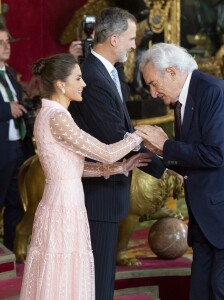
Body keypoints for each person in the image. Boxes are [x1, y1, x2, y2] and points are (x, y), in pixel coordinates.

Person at [135, 43, 224, 300]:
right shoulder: (182, 100)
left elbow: (214, 155)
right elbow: (189, 158)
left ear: (173, 72)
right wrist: (150, 155)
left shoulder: (212, 92)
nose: (153, 93)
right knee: (200, 290)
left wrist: (166, 145)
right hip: (206, 213)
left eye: (154, 84)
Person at [19, 53, 151, 299]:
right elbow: (106, 152)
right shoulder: (58, 117)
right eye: (78, 78)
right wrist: (139, 135)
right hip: (63, 207)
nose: (84, 84)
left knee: (62, 273)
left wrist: (120, 168)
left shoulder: (51, 114)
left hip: (65, 201)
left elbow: (73, 169)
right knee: (63, 273)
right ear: (61, 84)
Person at [68, 8, 166, 300]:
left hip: (107, 191)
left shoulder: (106, 72)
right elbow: (115, 136)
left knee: (103, 277)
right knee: (98, 282)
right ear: (113, 39)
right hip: (99, 193)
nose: (134, 45)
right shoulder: (93, 77)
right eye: (131, 38)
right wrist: (167, 165)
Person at [0, 25, 35, 251]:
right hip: (0, 150)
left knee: (17, 202)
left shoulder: (10, 74)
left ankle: (12, 250)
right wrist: (6, 109)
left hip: (17, 148)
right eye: (0, 42)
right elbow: (7, 108)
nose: (6, 46)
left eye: (7, 41)